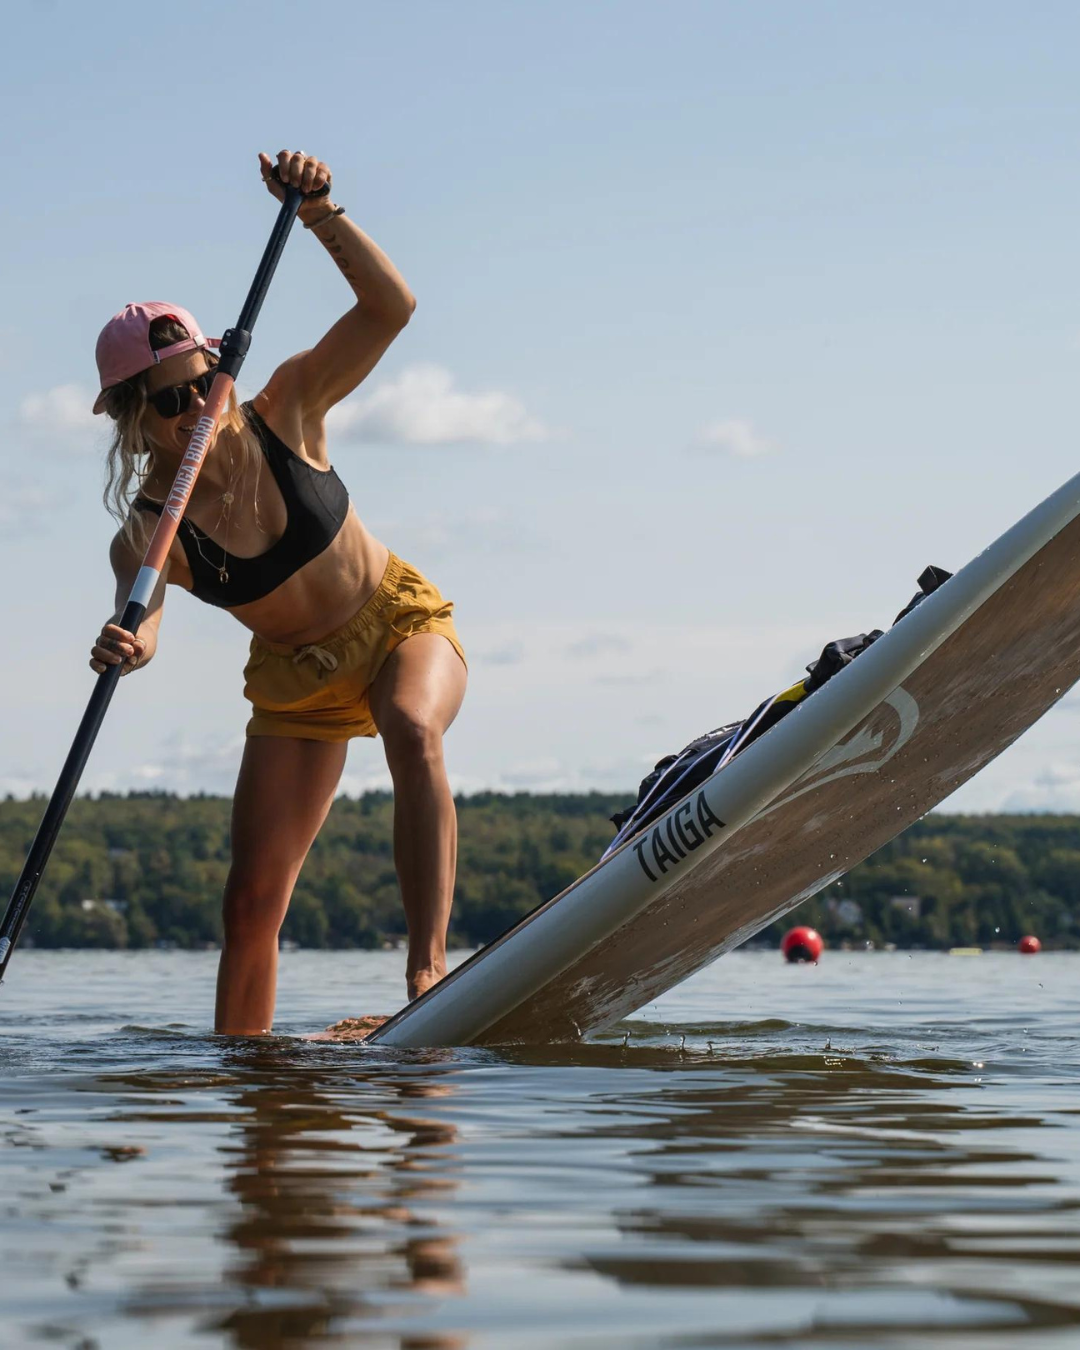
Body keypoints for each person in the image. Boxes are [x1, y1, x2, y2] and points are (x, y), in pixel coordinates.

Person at [89, 150, 468, 1035]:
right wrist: (124, 646)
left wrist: (322, 212)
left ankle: (428, 971)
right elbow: (140, 629)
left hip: (396, 624)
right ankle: (245, 1074)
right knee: (249, 901)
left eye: (201, 383)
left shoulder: (288, 406)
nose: (195, 409)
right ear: (134, 422)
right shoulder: (150, 532)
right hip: (296, 681)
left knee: (411, 727)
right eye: (168, 403)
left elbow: (391, 309)